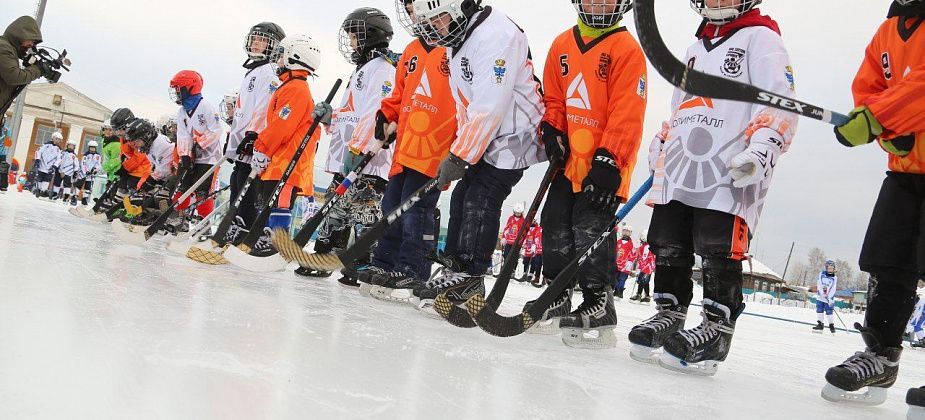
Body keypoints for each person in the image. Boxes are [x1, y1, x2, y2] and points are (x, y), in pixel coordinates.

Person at [628, 0, 798, 372]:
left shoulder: (762, 39)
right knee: (668, 240)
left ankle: (716, 327)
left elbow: (779, 101)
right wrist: (665, 140)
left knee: (717, 246)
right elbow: (682, 106)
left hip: (728, 168)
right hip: (682, 166)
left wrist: (764, 147)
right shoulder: (694, 49)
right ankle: (669, 312)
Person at [410, 0, 546, 315]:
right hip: (490, 132)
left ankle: (471, 274)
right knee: (461, 196)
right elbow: (466, 106)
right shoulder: (456, 42)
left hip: (517, 132)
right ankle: (457, 268)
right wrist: (457, 150)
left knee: (481, 198)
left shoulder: (496, 35)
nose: (433, 28)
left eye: (438, 19)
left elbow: (490, 106)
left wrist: (460, 156)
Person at [821, 0, 925, 408]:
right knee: (888, 261)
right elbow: (868, 91)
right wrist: (886, 132)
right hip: (904, 170)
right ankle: (881, 354)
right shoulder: (888, 31)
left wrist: (882, 119)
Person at [529, 0, 647, 349]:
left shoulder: (626, 49)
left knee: (590, 228)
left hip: (603, 165)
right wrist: (552, 131)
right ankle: (557, 293)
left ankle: (599, 301)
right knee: (555, 222)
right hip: (569, 163)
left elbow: (627, 110)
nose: (598, 4)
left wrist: (610, 159)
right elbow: (555, 100)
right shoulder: (563, 44)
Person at [363, 0, 458, 300]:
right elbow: (400, 94)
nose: (412, 14)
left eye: (415, 6)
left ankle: (412, 269)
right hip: (404, 149)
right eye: (408, 9)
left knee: (415, 212)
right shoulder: (411, 50)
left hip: (435, 151)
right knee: (390, 206)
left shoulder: (456, 48)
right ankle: (384, 263)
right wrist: (385, 116)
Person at [312, 7, 397, 283]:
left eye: (354, 36)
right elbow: (352, 113)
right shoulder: (362, 69)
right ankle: (326, 256)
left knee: (364, 213)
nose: (350, 42)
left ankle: (360, 265)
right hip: (350, 156)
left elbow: (375, 113)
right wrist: (330, 118)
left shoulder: (383, 69)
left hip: (368, 159)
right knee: (336, 210)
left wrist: (359, 149)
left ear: (371, 35)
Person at [249, 33, 324, 257]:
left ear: (295, 57)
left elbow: (281, 126)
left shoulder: (296, 89)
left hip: (288, 161)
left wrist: (262, 149)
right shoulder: (288, 85)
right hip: (279, 159)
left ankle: (276, 242)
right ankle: (266, 236)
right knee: (268, 197)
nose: (278, 60)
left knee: (279, 200)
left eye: (282, 56)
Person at [223, 22, 285, 247]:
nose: (256, 43)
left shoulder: (269, 72)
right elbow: (242, 111)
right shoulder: (253, 71)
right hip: (242, 143)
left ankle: (247, 229)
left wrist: (252, 135)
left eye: (263, 40)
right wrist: (232, 140)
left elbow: (263, 107)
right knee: (235, 179)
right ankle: (234, 224)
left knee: (247, 185)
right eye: (254, 39)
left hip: (255, 143)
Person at [170, 70, 223, 223]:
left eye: (178, 89)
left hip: (209, 157)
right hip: (192, 155)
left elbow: (217, 130)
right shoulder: (182, 112)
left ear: (189, 88)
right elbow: (183, 135)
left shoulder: (206, 107)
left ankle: (203, 223)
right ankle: (179, 220)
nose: (176, 93)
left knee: (202, 191)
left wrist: (199, 145)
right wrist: (185, 154)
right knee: (182, 186)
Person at [0, 16, 48, 114]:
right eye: (31, 40)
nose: (31, 45)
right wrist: (37, 70)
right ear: (20, 35)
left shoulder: (9, 50)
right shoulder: (3, 47)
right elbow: (14, 77)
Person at [33, 131, 62, 198]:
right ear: (53, 138)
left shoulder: (58, 149)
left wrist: (55, 166)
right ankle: (39, 190)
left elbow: (59, 159)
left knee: (47, 179)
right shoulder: (45, 145)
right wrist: (37, 159)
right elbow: (38, 152)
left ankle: (43, 191)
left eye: (59, 140)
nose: (58, 141)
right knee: (40, 178)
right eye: (56, 138)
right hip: (42, 165)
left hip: (51, 167)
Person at [812, 260, 838, 334]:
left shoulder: (834, 277)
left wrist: (830, 298)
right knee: (819, 309)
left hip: (829, 298)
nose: (830, 270)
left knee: (829, 311)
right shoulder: (821, 274)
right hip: (821, 296)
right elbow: (819, 284)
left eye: (832, 268)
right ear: (826, 268)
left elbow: (833, 288)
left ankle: (831, 325)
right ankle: (820, 324)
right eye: (829, 268)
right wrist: (821, 293)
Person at [51, 138, 79, 202]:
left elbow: (76, 165)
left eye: (72, 146)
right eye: (69, 145)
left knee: (67, 185)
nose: (70, 147)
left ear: (74, 147)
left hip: (68, 172)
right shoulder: (62, 152)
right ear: (67, 145)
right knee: (57, 183)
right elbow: (58, 160)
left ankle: (66, 197)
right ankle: (55, 195)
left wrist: (75, 172)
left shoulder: (74, 156)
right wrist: (56, 166)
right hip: (59, 170)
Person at [75, 140, 102, 206]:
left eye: (94, 147)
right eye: (91, 147)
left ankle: (84, 199)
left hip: (91, 175)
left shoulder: (98, 156)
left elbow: (98, 164)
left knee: (88, 187)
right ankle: (74, 197)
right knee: (79, 185)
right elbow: (83, 164)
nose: (92, 149)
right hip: (84, 173)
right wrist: (86, 171)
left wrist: (95, 169)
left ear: (96, 148)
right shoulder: (85, 155)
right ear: (89, 147)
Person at [632, 231, 655, 303]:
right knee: (646, 282)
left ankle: (638, 295)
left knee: (641, 281)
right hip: (649, 267)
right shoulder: (648, 246)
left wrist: (639, 268)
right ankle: (647, 297)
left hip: (646, 267)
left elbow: (644, 258)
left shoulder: (646, 247)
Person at [615, 224, 636, 299]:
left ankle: (619, 292)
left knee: (622, 278)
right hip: (617, 264)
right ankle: (615, 290)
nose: (626, 233)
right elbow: (615, 251)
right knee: (615, 277)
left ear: (630, 233)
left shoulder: (631, 244)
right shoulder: (618, 242)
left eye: (628, 231)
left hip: (625, 265)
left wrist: (630, 261)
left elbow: (633, 253)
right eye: (624, 231)